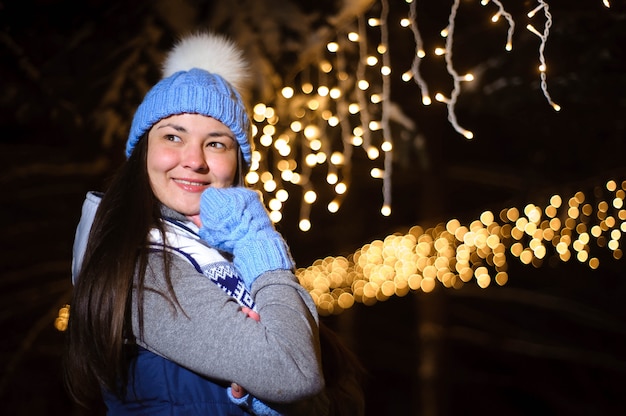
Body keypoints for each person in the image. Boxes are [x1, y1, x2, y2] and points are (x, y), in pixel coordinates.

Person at [63, 32, 330, 416]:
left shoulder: (215, 251)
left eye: (216, 143)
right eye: (173, 136)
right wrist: (259, 239)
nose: (195, 160)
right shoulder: (139, 265)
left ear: (237, 161)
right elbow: (295, 372)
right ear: (143, 153)